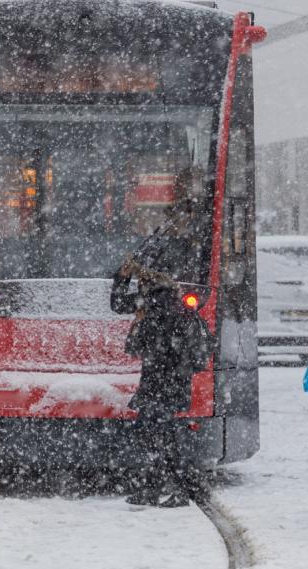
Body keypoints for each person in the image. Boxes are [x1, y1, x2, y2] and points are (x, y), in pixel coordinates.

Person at [111, 172, 210, 508]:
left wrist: (145, 279)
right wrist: (122, 278)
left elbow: (176, 301)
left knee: (161, 424)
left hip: (174, 359)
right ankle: (156, 485)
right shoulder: (153, 293)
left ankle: (183, 486)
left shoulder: (185, 260)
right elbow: (120, 304)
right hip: (156, 359)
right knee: (152, 424)